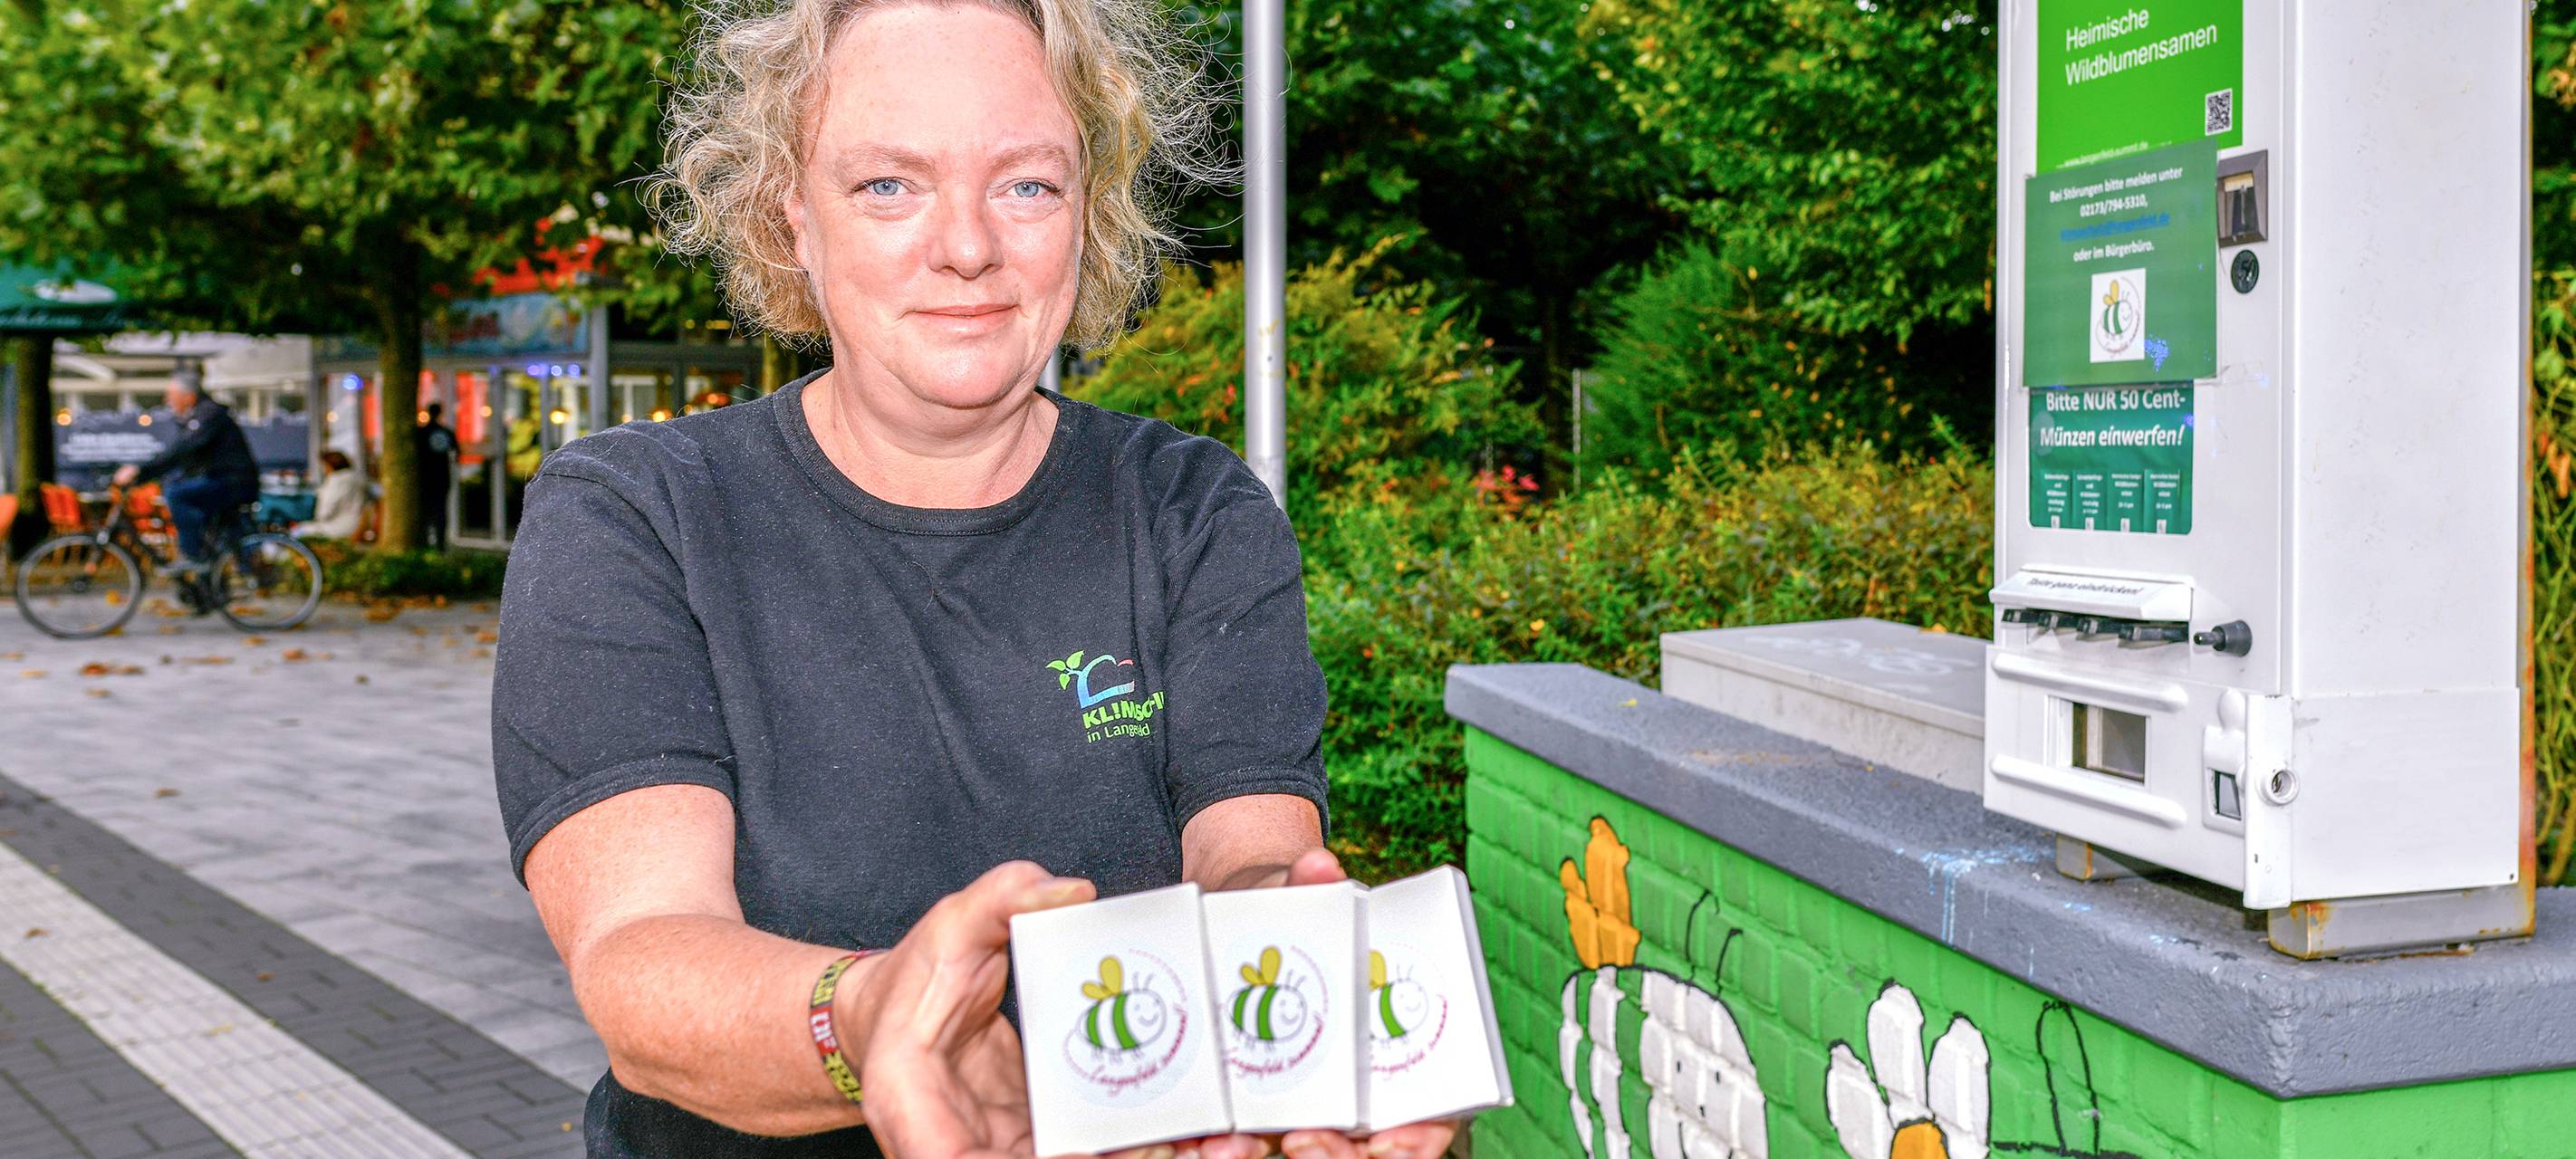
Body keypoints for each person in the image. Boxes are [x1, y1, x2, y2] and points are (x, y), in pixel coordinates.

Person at [491, 2, 1456, 1157]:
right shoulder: (640, 514)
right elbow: (644, 953)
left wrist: (1297, 992)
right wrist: (878, 1014)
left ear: (1089, 211)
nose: (967, 246)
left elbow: (1243, 852)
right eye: (888, 185)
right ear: (789, 216)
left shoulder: (1195, 510)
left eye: (1027, 185)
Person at [112, 367, 259, 573]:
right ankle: (209, 580)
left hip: (234, 483)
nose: (167, 400)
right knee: (186, 497)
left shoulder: (208, 414)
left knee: (177, 494)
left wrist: (139, 471)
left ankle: (193, 555)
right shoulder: (200, 415)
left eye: (171, 396)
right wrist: (145, 473)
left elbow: (184, 450)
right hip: (228, 480)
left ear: (188, 396)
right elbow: (184, 454)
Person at [291, 451, 366, 540]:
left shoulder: (337, 480)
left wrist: (313, 517)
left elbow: (326, 509)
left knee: (297, 532)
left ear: (330, 465)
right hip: (354, 524)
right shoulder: (357, 478)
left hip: (337, 526)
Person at [417, 402, 459, 551]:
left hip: (425, 478)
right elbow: (456, 452)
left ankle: (425, 543)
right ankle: (440, 544)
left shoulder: (421, 432)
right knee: (441, 511)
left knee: (425, 512)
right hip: (442, 478)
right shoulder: (446, 432)